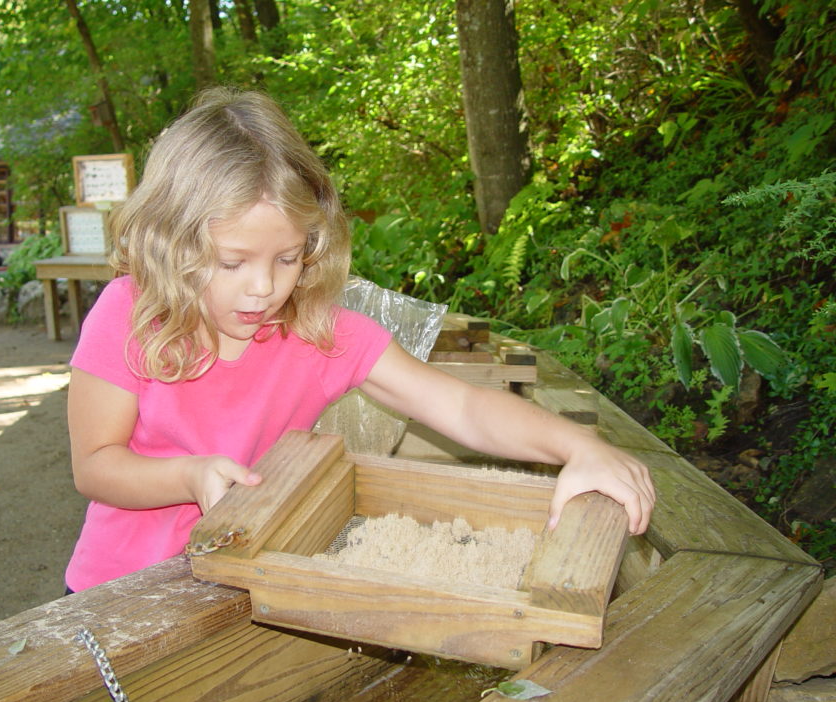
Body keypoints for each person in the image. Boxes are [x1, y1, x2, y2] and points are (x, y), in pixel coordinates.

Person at [64, 87, 655, 593]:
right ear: (171, 241)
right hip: (120, 588)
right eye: (231, 263)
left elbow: (461, 405)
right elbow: (94, 466)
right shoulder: (131, 314)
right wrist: (189, 476)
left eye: (288, 258)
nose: (263, 288)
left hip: (245, 578)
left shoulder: (322, 332)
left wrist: (580, 447)